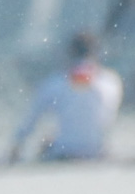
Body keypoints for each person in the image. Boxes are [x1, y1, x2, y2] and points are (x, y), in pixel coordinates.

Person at [8, 31, 123, 162]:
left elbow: (30, 121)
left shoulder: (54, 83)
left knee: (46, 144)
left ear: (70, 53)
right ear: (97, 53)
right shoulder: (112, 81)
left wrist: (15, 148)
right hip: (99, 152)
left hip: (64, 153)